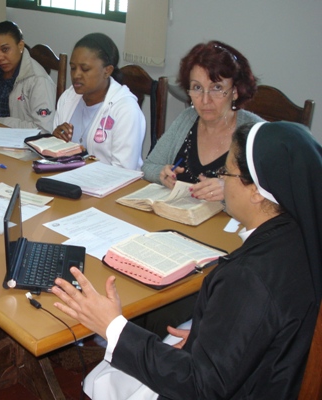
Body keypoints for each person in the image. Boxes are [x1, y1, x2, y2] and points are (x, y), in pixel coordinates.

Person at [51, 121, 321, 399]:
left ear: (256, 190)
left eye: (225, 173)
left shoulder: (249, 277)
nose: (221, 180)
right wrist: (212, 338)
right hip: (256, 370)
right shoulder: (298, 236)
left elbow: (201, 386)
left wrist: (112, 326)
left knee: (106, 381)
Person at [142, 40, 262, 202]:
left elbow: (273, 194)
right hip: (177, 219)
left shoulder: (255, 133)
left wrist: (231, 190)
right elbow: (149, 166)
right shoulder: (187, 118)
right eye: (197, 88)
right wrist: (161, 174)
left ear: (235, 91)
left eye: (217, 88)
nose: (205, 100)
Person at [52, 33, 145, 170]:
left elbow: (123, 171)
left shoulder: (126, 110)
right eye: (73, 68)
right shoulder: (68, 97)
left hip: (110, 188)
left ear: (107, 71)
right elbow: (54, 158)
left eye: (85, 69)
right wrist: (54, 142)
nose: (76, 75)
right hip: (68, 183)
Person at [0, 20, 56, 133]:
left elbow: (44, 130)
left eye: (5, 49)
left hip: (20, 143)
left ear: (20, 46)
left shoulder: (39, 80)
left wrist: (1, 123)